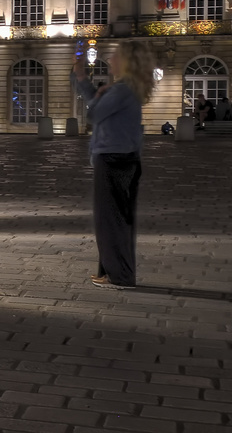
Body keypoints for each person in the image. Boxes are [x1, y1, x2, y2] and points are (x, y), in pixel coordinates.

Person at [73, 40, 155, 290]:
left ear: (127, 61)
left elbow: (94, 115)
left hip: (112, 158)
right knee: (118, 218)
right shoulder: (127, 88)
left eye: (115, 56)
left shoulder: (122, 90)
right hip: (125, 157)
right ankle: (112, 271)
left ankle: (119, 276)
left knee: (110, 220)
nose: (110, 60)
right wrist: (91, 89)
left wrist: (87, 86)